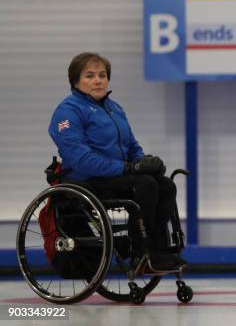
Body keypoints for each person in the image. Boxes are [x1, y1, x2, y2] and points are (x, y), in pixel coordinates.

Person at [49, 52, 186, 271]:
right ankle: (141, 251)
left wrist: (144, 162)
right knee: (145, 185)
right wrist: (130, 168)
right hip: (86, 180)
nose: (98, 80)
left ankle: (159, 249)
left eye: (102, 75)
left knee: (165, 184)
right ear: (75, 81)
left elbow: (131, 146)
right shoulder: (67, 112)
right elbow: (82, 159)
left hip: (116, 176)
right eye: (90, 76)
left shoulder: (114, 108)